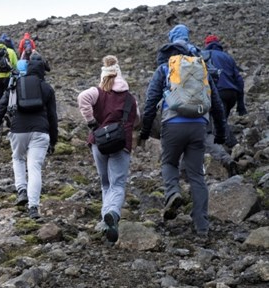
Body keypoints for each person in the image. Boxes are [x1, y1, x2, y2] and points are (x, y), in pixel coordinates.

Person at [139, 40, 227, 238]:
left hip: (173, 125)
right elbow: (217, 103)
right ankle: (202, 227)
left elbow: (151, 102)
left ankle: (173, 193)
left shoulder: (164, 70)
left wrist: (145, 131)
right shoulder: (200, 68)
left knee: (169, 162)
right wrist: (221, 133)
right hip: (199, 125)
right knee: (197, 175)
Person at [77, 56, 139, 243]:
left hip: (99, 142)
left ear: (103, 76)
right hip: (121, 144)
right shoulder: (129, 98)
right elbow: (136, 119)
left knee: (105, 183)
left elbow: (82, 98)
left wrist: (92, 122)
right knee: (117, 184)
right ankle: (112, 213)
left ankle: (107, 221)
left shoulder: (97, 92)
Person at [0, 55, 58, 220]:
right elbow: (53, 117)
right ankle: (33, 207)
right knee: (34, 168)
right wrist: (54, 139)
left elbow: (1, 107)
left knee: (18, 158)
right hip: (41, 132)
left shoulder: (15, 85)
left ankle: (21, 190)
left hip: (18, 130)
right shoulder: (47, 88)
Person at [203, 34, 247, 145]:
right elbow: (239, 80)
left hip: (217, 93)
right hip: (232, 94)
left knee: (218, 121)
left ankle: (235, 147)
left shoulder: (205, 56)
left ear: (206, 44)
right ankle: (222, 147)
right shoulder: (227, 57)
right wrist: (240, 104)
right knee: (220, 121)